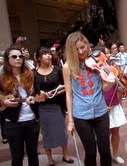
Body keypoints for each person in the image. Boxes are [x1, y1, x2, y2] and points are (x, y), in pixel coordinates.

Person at [62, 31, 115, 166]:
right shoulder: (67, 67)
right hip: (81, 115)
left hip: (101, 111)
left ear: (87, 45)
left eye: (82, 47)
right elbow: (69, 94)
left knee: (104, 150)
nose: (80, 51)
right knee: (90, 152)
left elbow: (102, 88)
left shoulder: (97, 61)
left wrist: (110, 82)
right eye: (76, 49)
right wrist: (70, 120)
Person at [0, 45, 40, 166]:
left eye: (20, 56)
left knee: (33, 154)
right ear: (8, 59)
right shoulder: (2, 78)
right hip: (12, 122)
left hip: (32, 121)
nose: (18, 58)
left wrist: (36, 98)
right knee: (17, 156)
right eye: (14, 56)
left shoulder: (31, 75)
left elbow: (37, 94)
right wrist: (3, 102)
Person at [33, 47, 74, 166]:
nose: (48, 56)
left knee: (62, 131)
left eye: (49, 53)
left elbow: (66, 87)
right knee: (46, 133)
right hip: (42, 107)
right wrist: (40, 94)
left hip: (57, 105)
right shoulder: (34, 73)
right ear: (39, 58)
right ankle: (50, 158)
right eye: (45, 54)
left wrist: (56, 92)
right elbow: (34, 92)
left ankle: (65, 155)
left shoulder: (57, 70)